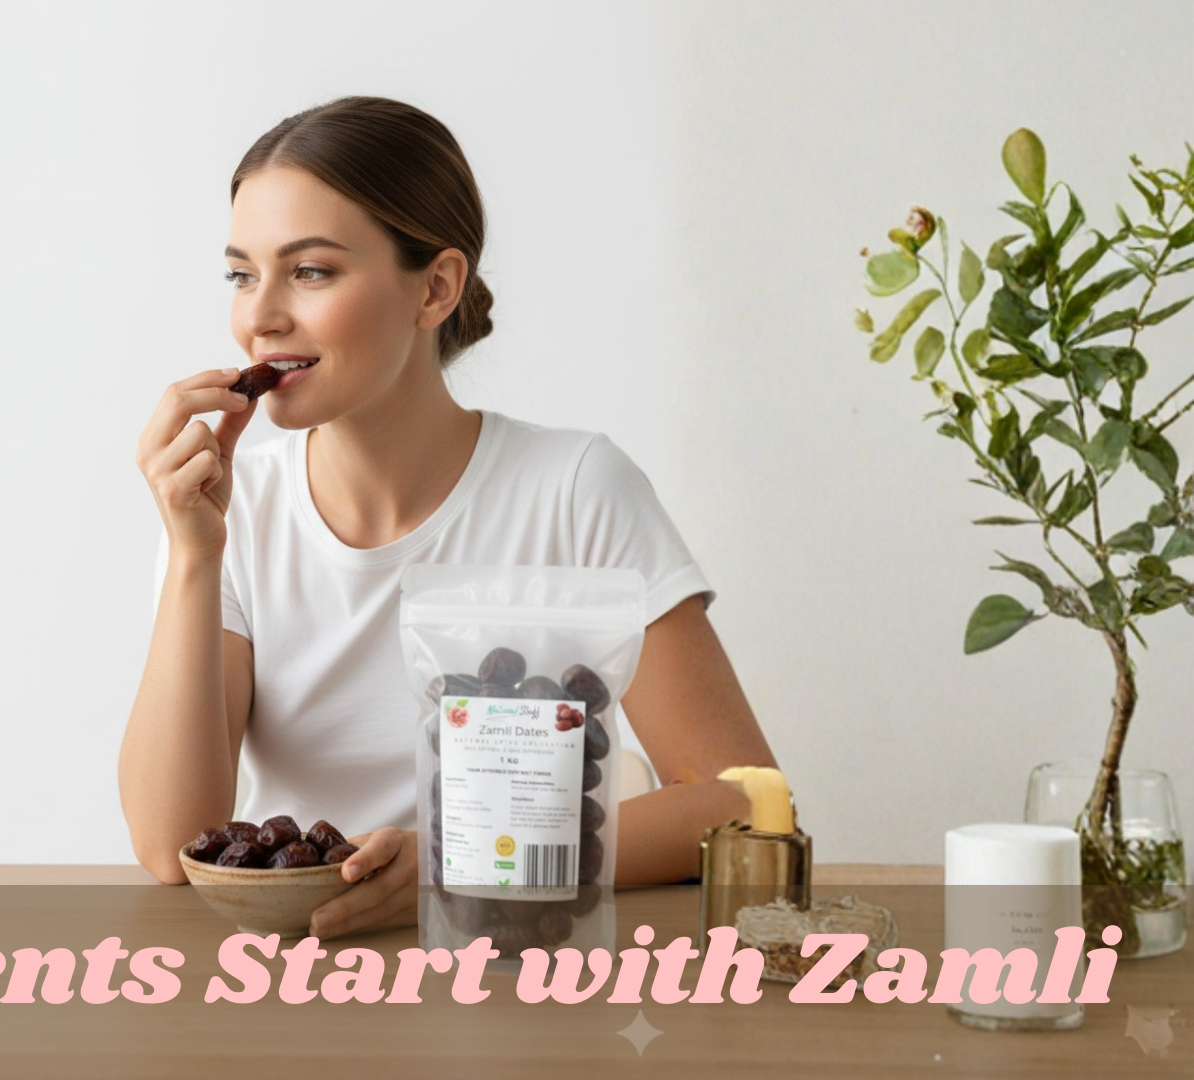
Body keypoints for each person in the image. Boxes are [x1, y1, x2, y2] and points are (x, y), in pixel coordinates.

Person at [120, 95, 778, 939]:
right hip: (295, 978)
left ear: (435, 287)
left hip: (525, 966)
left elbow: (744, 804)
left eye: (310, 271)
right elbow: (168, 843)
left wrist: (452, 862)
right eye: (243, 274)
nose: (260, 315)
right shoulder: (232, 508)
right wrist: (190, 555)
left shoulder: (576, 488)